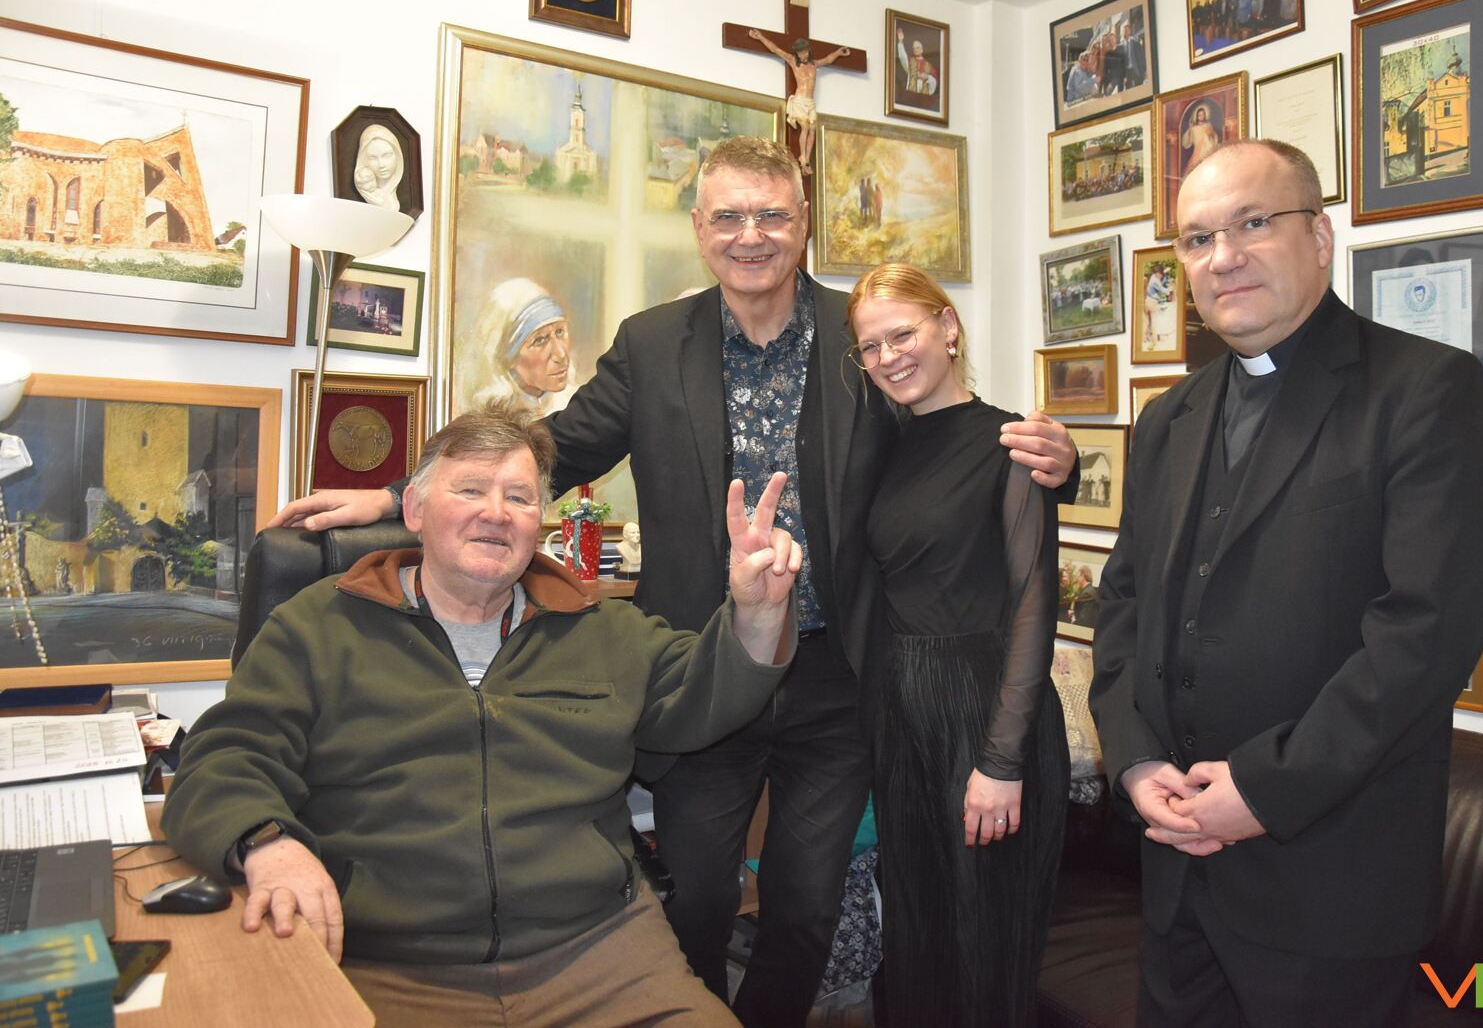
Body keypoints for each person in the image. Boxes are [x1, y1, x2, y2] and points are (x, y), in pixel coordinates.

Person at [264, 136, 1077, 1028]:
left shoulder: (858, 338)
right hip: (703, 670)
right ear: (698, 227)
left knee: (807, 910)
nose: (750, 235)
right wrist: (397, 496)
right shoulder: (652, 345)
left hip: (837, 682)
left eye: (770, 214)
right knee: (693, 899)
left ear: (804, 223)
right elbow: (558, 447)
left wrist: (1055, 464)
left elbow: (945, 446)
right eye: (728, 216)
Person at [162, 402, 806, 1027]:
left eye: (519, 497)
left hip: (601, 953)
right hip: (386, 965)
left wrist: (758, 611)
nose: (496, 513)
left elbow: (704, 692)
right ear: (414, 510)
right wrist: (267, 845)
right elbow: (224, 755)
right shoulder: (317, 628)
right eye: (470, 489)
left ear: (539, 523)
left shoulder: (602, 629)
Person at [1089, 140, 1483, 1025]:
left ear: (1319, 237)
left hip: (1329, 888)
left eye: (1252, 223)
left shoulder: (1426, 390)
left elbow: (1424, 635)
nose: (1223, 256)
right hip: (1174, 876)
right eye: (1197, 239)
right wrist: (1134, 759)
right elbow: (1122, 603)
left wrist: (1264, 790)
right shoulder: (1167, 419)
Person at [845, 263, 1067, 1027]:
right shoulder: (884, 445)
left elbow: (1035, 603)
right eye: (869, 347)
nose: (888, 357)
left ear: (948, 327)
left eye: (901, 334)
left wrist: (1002, 761)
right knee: (916, 943)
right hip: (903, 716)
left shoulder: (1012, 443)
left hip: (987, 711)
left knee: (987, 952)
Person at [461, 277, 578, 415]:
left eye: (559, 332)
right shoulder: (491, 417)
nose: (561, 354)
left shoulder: (576, 407)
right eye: (540, 340)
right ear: (508, 358)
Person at [749, 30, 853, 174]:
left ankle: (806, 159)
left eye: (805, 52)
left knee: (812, 129)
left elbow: (828, 59)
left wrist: (838, 52)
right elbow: (775, 49)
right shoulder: (793, 61)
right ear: (796, 54)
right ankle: (802, 156)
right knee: (804, 127)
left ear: (808, 51)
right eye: (800, 53)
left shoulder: (814, 64)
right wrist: (760, 37)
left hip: (810, 102)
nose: (803, 55)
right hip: (800, 100)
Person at [354, 123, 404, 211]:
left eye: (387, 155)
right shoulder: (368, 190)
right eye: (372, 158)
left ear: (397, 155)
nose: (381, 165)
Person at [894, 27, 938, 96]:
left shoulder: (929, 66)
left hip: (924, 97)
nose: (915, 50)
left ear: (922, 50)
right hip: (911, 96)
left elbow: (935, 81)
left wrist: (927, 77)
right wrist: (900, 42)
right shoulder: (911, 62)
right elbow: (902, 57)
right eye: (914, 48)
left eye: (917, 47)